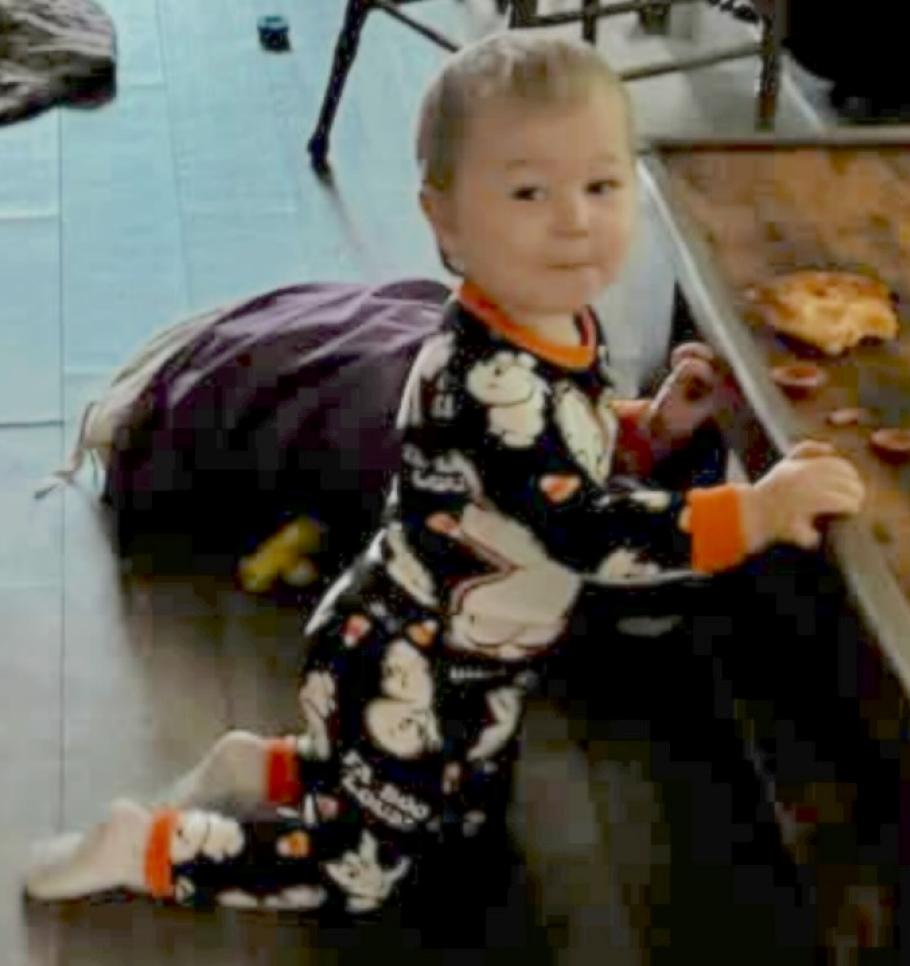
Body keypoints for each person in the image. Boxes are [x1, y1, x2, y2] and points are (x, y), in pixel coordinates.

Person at [24, 31, 864, 924]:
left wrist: (649, 427)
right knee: (360, 869)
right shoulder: (485, 381)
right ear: (446, 221)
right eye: (529, 192)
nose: (575, 219)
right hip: (408, 665)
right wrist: (756, 511)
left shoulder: (549, 322)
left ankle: (258, 768)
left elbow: (563, 447)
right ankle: (148, 847)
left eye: (602, 185)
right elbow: (591, 534)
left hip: (471, 666)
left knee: (448, 819)